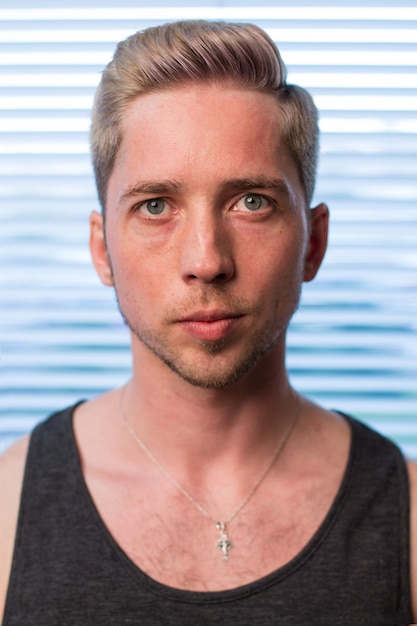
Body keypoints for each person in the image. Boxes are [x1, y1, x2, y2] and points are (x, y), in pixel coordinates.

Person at [0, 19, 416, 625]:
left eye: (251, 202)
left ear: (314, 242)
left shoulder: (407, 520)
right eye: (156, 206)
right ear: (101, 251)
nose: (206, 261)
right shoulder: (6, 511)